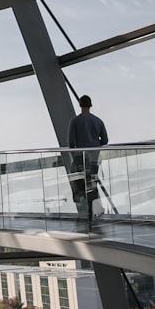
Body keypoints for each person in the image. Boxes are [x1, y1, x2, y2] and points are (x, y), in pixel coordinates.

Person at [68, 94, 109, 227]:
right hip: (94, 160)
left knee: (78, 183)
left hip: (80, 158)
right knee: (92, 185)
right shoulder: (98, 121)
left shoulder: (75, 121)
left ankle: (86, 214)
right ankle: (93, 214)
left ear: (80, 105)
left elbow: (71, 143)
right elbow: (105, 140)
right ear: (90, 105)